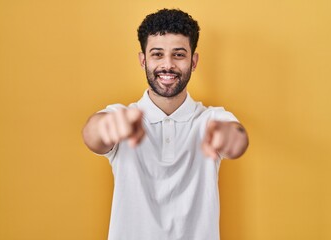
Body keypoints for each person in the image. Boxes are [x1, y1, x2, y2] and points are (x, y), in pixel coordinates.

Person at [82, 8, 249, 240]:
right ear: (143, 60)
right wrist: (105, 127)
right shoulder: (122, 116)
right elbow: (93, 134)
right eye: (157, 54)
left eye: (179, 54)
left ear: (194, 61)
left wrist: (231, 137)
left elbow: (237, 138)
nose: (167, 65)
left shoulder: (212, 119)